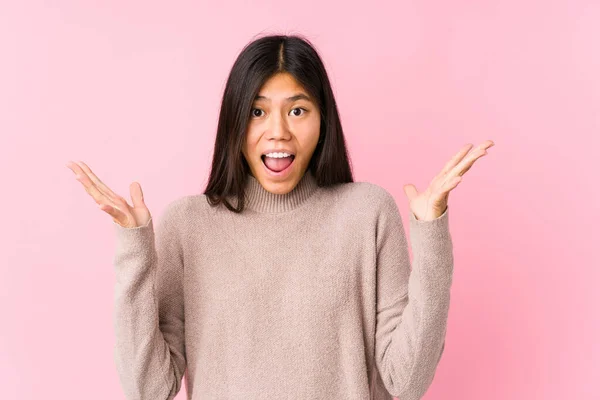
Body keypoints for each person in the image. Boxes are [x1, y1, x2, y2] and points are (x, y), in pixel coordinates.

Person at [67, 34, 493, 400]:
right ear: (234, 122)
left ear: (323, 120)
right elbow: (148, 388)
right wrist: (134, 249)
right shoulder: (187, 225)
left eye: (297, 110)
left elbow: (408, 381)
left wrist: (432, 239)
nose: (278, 132)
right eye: (257, 111)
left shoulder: (367, 213)